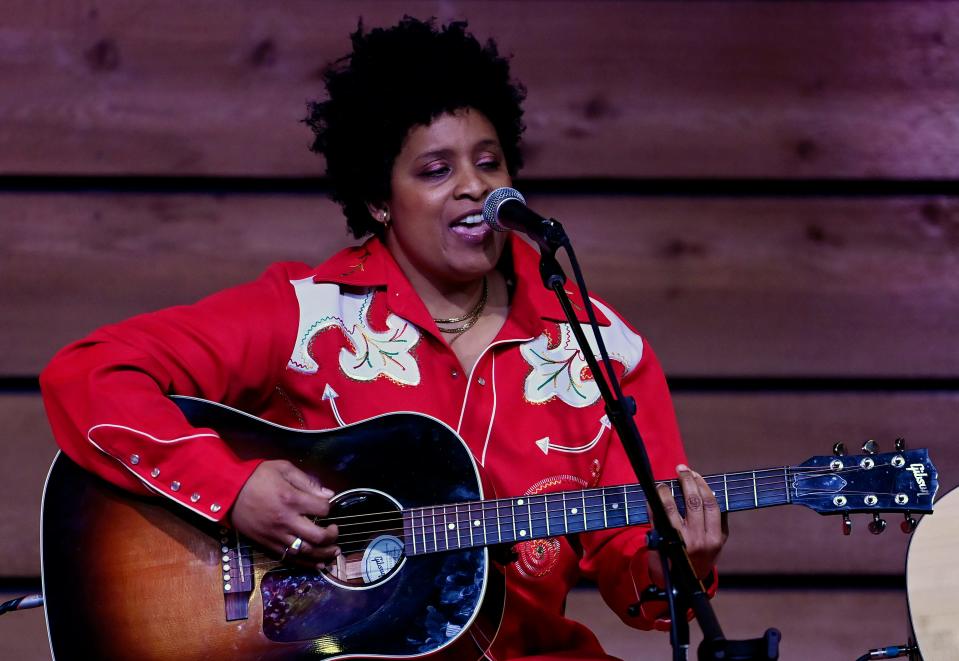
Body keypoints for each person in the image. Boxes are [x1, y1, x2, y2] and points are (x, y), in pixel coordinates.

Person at [41, 17, 726, 660]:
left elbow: (638, 590)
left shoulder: (601, 348)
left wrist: (681, 558)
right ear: (378, 199)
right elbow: (89, 374)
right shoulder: (307, 317)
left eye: (488, 163)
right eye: (435, 170)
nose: (473, 188)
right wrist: (233, 488)